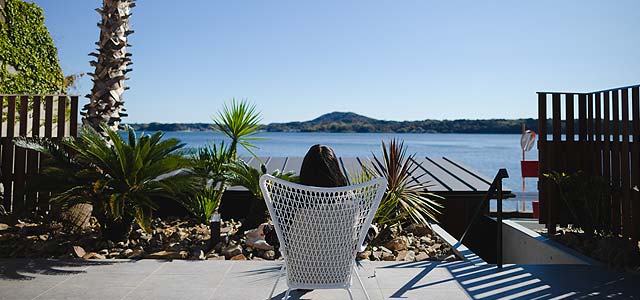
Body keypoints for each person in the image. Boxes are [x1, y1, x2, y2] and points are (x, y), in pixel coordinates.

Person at [265, 144, 378, 251]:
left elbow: (274, 240)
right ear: (336, 169)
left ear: (305, 170)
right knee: (370, 228)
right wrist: (371, 231)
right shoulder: (353, 202)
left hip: (300, 268)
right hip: (340, 268)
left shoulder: (293, 201)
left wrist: (267, 229)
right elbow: (361, 239)